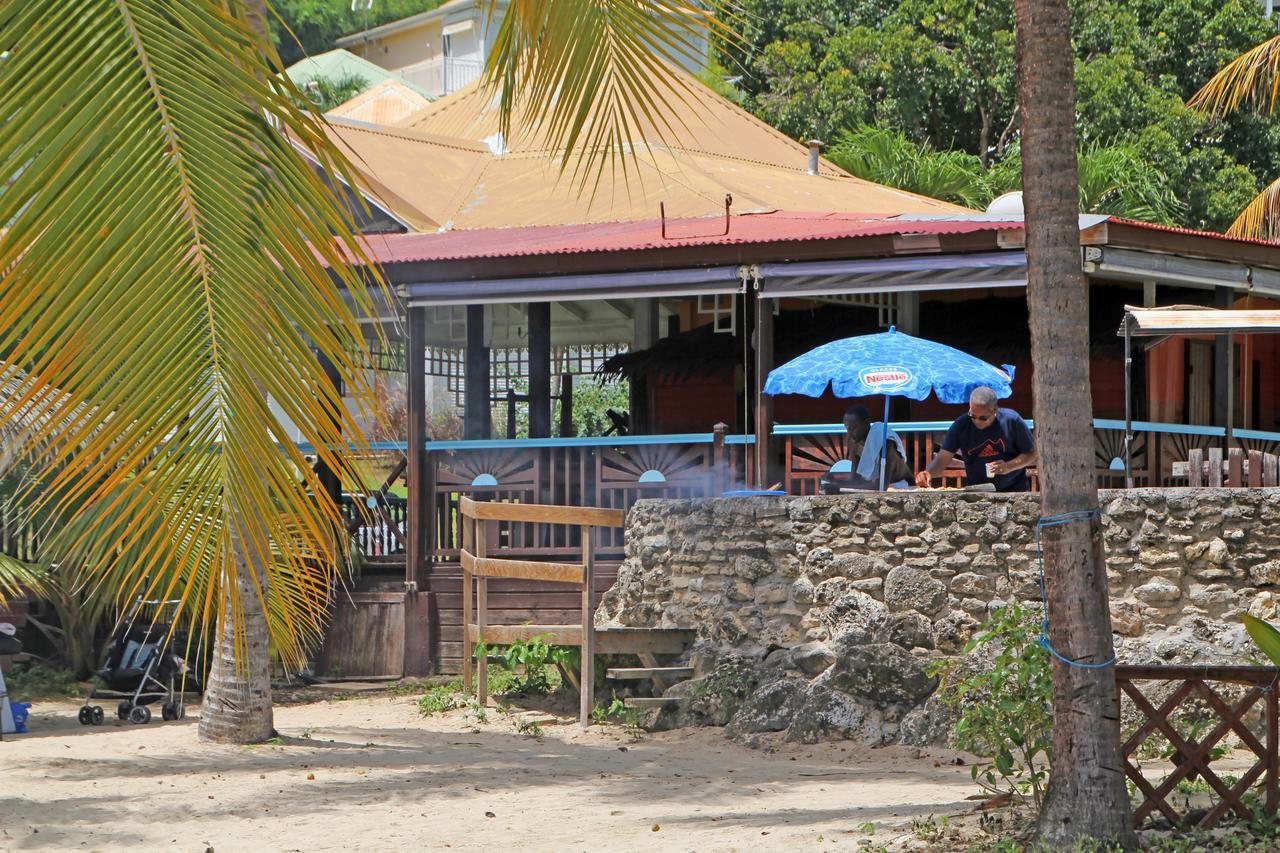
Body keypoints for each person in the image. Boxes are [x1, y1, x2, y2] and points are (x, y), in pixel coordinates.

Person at [915, 386, 1036, 492]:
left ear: (994, 411)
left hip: (1015, 490)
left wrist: (1008, 466)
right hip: (977, 493)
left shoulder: (1011, 421)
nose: (977, 421)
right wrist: (928, 473)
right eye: (972, 415)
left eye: (983, 418)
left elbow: (1032, 453)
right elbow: (941, 460)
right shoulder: (961, 425)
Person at [842, 404, 913, 489]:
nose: (850, 433)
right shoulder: (854, 442)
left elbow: (882, 485)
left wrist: (839, 487)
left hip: (900, 487)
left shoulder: (886, 441)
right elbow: (855, 480)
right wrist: (834, 482)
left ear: (866, 424)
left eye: (854, 428)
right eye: (847, 428)